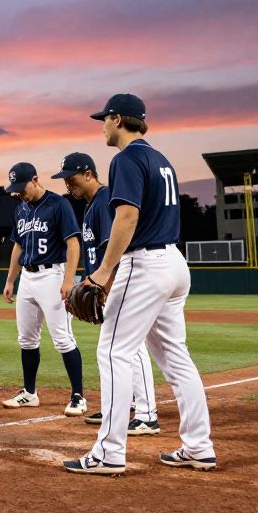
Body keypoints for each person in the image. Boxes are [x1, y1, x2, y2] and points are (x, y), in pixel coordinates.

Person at [64, 94, 215, 475]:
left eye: (104, 119)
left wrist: (101, 273)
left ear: (118, 119)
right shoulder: (161, 159)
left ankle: (109, 453)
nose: (102, 125)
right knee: (177, 359)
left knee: (114, 352)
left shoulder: (126, 159)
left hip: (145, 263)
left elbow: (127, 218)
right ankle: (199, 446)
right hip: (174, 263)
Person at [53, 152, 159, 435]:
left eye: (71, 178)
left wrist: (106, 287)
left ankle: (147, 414)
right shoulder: (89, 207)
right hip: (108, 285)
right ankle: (119, 406)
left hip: (120, 282)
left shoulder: (105, 200)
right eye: (64, 180)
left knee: (130, 348)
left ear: (89, 173)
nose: (67, 184)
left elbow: (117, 250)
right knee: (114, 349)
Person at [0, 162, 87, 416]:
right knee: (26, 339)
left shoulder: (59, 204)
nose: (18, 192)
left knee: (62, 337)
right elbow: (18, 246)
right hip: (27, 276)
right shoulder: (21, 209)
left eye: (21, 186)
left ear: (35, 179)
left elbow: (73, 243)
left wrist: (68, 280)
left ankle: (78, 396)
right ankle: (29, 393)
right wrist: (9, 280)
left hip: (53, 275)